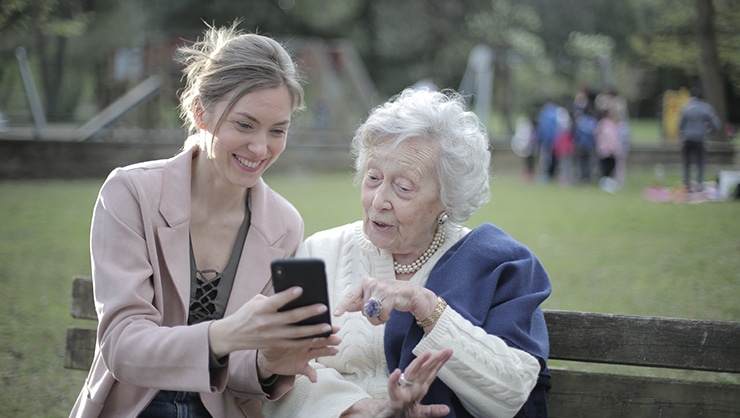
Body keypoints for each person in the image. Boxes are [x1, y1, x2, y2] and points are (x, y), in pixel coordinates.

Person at [70, 23, 341, 418]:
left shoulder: (283, 223)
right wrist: (225, 335)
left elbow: (241, 369)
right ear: (200, 112)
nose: (260, 147)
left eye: (277, 131)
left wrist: (268, 362)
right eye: (244, 124)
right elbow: (122, 345)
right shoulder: (130, 194)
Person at [263, 88, 552, 418]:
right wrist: (363, 409)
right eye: (373, 178)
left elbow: (513, 392)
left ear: (448, 199)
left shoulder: (497, 263)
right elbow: (280, 372)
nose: (378, 200)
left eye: (403, 188)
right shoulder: (319, 251)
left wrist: (426, 306)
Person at [679, 86, 723, 191]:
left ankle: (687, 183)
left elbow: (680, 125)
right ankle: (699, 183)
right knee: (700, 162)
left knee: (686, 162)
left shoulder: (686, 107)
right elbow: (717, 124)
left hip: (687, 138)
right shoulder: (705, 108)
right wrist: (711, 130)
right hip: (699, 138)